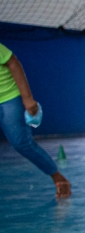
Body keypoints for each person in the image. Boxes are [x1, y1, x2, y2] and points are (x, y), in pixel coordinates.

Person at [0, 43, 71, 198]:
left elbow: (13, 63)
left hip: (8, 96)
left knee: (20, 142)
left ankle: (57, 176)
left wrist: (27, 98)